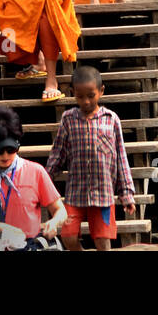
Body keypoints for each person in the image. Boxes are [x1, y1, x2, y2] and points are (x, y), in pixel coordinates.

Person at [46, 65, 136, 250]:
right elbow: (58, 154)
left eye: (91, 95)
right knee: (68, 237)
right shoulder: (68, 119)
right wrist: (45, 181)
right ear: (72, 93)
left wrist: (126, 194)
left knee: (103, 241)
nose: (86, 101)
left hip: (103, 194)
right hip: (75, 194)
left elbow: (121, 159)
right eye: (80, 97)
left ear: (101, 91)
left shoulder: (111, 119)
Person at [0, 106, 67, 251]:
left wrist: (54, 222)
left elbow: (61, 210)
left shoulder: (36, 171)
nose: (5, 156)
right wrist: (1, 227)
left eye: (10, 149)